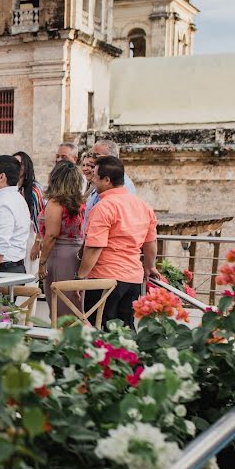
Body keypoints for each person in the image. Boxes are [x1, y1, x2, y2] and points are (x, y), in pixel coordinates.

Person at [77, 156, 158, 329]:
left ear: (107, 180)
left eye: (95, 176)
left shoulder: (104, 207)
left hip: (104, 279)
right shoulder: (143, 205)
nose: (93, 180)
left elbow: (94, 247)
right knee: (126, 329)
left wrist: (81, 277)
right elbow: (150, 242)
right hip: (133, 280)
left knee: (100, 330)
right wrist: (150, 267)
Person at [37, 161, 86, 319]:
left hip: (59, 256)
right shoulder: (81, 203)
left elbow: (51, 235)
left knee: (59, 307)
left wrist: (42, 262)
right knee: (75, 305)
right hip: (78, 256)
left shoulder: (55, 203)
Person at [84, 140, 137, 222]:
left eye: (95, 156)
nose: (91, 159)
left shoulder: (123, 185)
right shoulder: (100, 178)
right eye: (91, 155)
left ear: (110, 159)